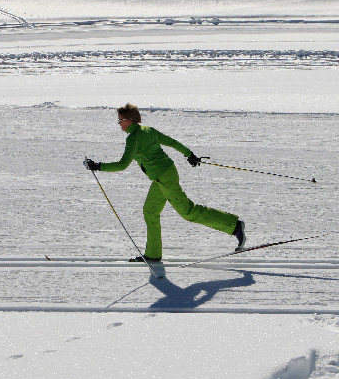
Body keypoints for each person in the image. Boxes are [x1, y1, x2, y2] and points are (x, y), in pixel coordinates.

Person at [84, 103, 245, 262]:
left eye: (120, 120)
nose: (119, 124)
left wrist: (97, 166)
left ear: (129, 120)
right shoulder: (148, 130)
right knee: (150, 211)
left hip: (164, 178)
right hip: (164, 175)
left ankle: (234, 226)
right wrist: (189, 154)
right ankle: (153, 254)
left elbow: (122, 165)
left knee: (188, 211)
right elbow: (172, 142)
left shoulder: (133, 139)